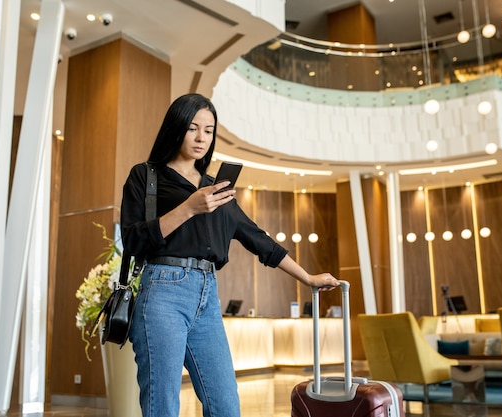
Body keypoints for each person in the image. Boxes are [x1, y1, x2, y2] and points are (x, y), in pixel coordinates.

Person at [121, 93, 340, 417]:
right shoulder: (147, 176)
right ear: (175, 127)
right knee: (162, 404)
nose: (201, 138)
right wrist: (189, 208)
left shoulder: (216, 187)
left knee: (225, 404)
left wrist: (306, 277)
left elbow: (256, 237)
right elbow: (132, 239)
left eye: (208, 131)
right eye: (193, 128)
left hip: (207, 295)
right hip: (162, 291)